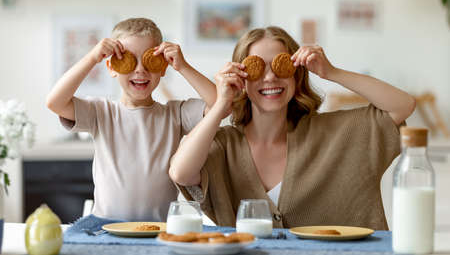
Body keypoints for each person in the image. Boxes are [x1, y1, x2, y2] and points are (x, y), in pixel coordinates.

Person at [169, 26, 416, 230]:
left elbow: (402, 106)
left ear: (296, 76)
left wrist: (332, 72)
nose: (269, 77)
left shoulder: (339, 133)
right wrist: (223, 103)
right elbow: (181, 173)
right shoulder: (224, 145)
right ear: (241, 80)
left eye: (279, 66)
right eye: (258, 67)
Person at [46, 18, 219, 221]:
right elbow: (55, 102)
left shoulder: (176, 113)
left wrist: (183, 67)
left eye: (147, 60)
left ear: (163, 67)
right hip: (106, 228)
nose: (140, 69)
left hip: (158, 231)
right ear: (111, 67)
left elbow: (219, 104)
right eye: (129, 59)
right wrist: (92, 58)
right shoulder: (101, 112)